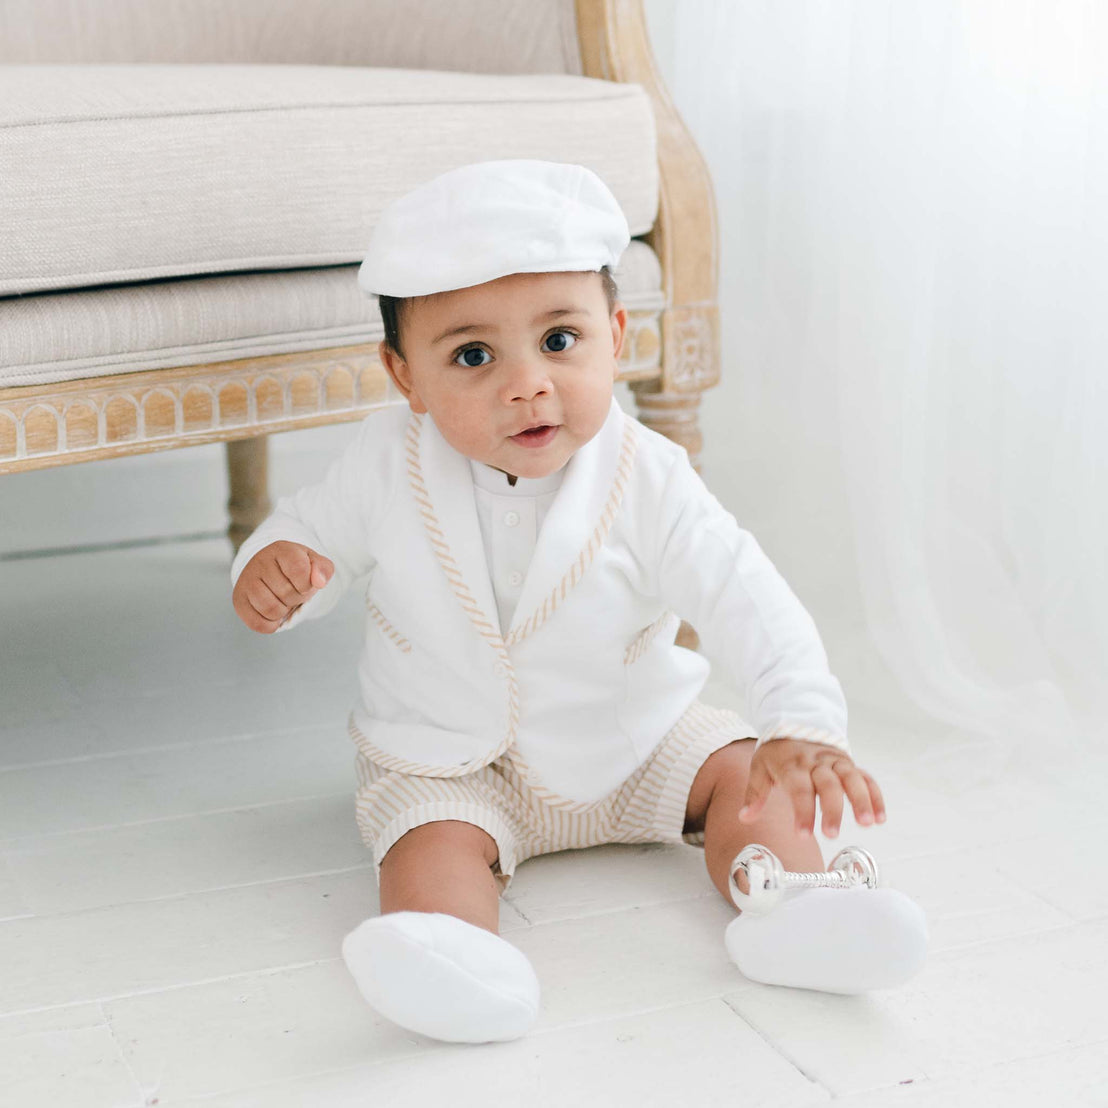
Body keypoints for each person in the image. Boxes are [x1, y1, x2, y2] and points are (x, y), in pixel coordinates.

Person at [230, 159, 928, 1045]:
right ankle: (453, 956)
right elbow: (308, 537)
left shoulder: (649, 475)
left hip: (640, 738)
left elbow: (746, 593)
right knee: (427, 844)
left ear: (618, 335)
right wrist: (278, 570)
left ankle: (798, 910)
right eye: (474, 356)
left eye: (560, 341)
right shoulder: (384, 464)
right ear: (405, 376)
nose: (528, 383)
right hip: (451, 761)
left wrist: (800, 721)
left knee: (748, 780)